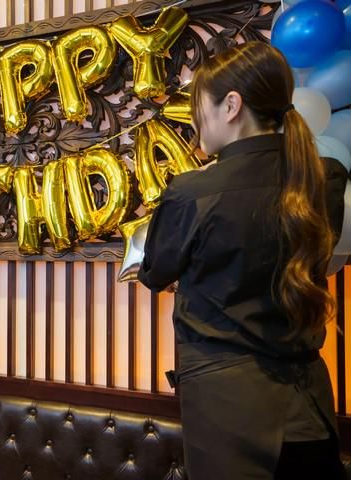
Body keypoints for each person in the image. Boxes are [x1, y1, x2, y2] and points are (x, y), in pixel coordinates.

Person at [137, 41, 348, 479]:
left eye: (199, 107)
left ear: (231, 106)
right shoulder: (324, 178)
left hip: (227, 413)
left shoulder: (193, 192)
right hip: (309, 407)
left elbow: (154, 271)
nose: (195, 120)